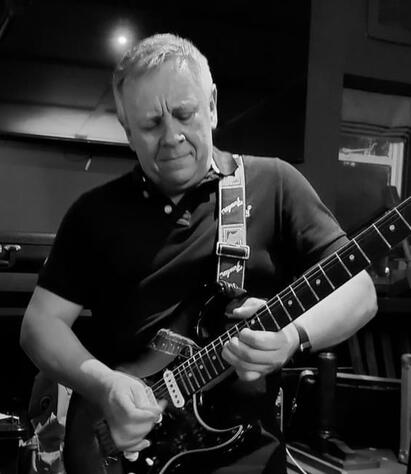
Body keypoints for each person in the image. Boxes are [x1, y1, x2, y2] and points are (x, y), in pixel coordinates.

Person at [20, 33, 377, 473]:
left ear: (212, 106)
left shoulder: (275, 184)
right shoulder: (93, 214)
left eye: (184, 114)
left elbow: (360, 290)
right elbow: (40, 325)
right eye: (151, 124)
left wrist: (292, 337)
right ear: (127, 131)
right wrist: (104, 386)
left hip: (249, 455)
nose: (171, 137)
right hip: (127, 452)